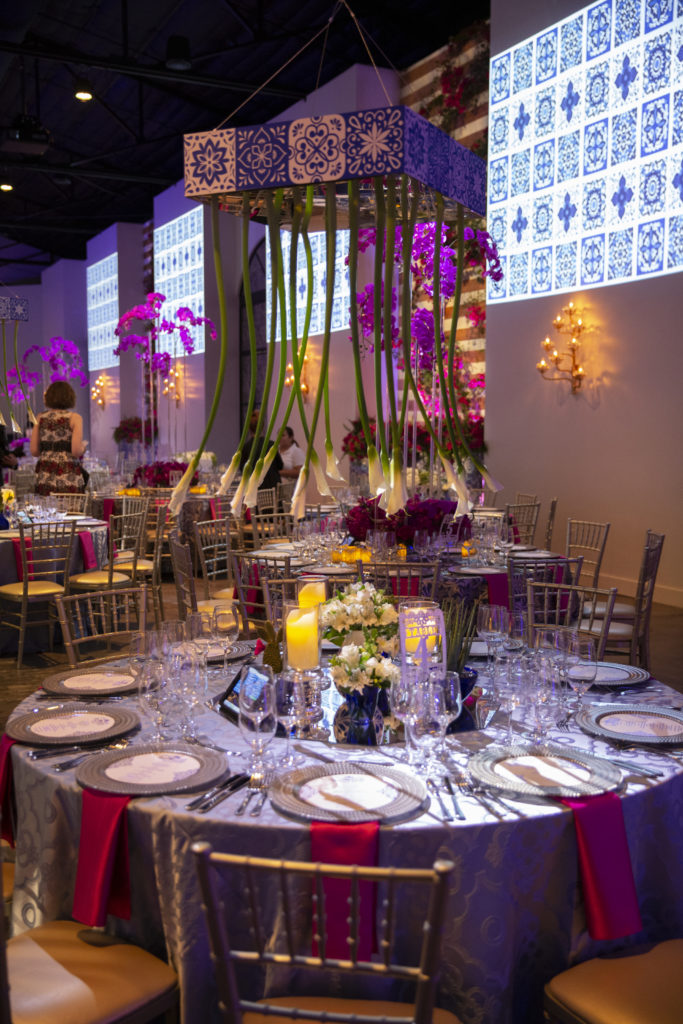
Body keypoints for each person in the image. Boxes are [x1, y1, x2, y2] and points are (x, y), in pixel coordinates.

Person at [30, 380, 87, 495]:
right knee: (70, 505)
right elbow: (76, 451)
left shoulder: (40, 417)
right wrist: (83, 448)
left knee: (46, 505)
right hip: (67, 472)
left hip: (45, 472)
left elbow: (34, 451)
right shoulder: (75, 418)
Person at [239, 409, 282, 491]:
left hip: (255, 489)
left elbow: (243, 469)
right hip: (273, 488)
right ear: (263, 426)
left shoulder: (246, 447)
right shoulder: (271, 445)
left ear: (249, 428)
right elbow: (280, 465)